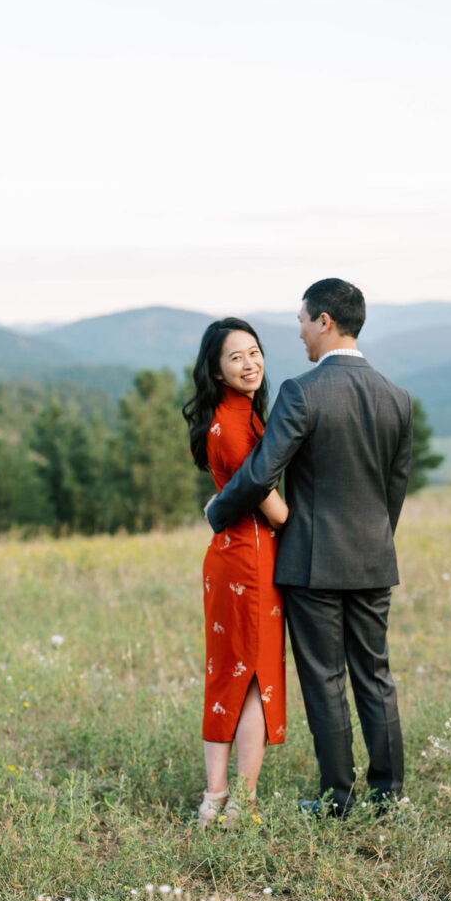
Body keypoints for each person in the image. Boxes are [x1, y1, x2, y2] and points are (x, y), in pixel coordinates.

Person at [206, 279, 413, 815]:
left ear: (324, 321)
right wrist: (371, 541)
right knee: (376, 676)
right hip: (372, 559)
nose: (298, 332)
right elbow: (395, 490)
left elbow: (259, 473)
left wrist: (218, 510)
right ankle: (389, 797)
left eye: (301, 320)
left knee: (324, 680)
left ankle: (337, 799)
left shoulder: (302, 391)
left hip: (312, 564)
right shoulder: (397, 396)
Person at [183, 318, 288, 827]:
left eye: (254, 352)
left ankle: (224, 799)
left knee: (236, 676)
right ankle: (228, 800)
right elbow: (275, 512)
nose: (249, 364)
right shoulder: (236, 426)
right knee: (248, 676)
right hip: (249, 558)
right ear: (218, 372)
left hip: (233, 554)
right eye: (235, 358)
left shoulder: (232, 416)